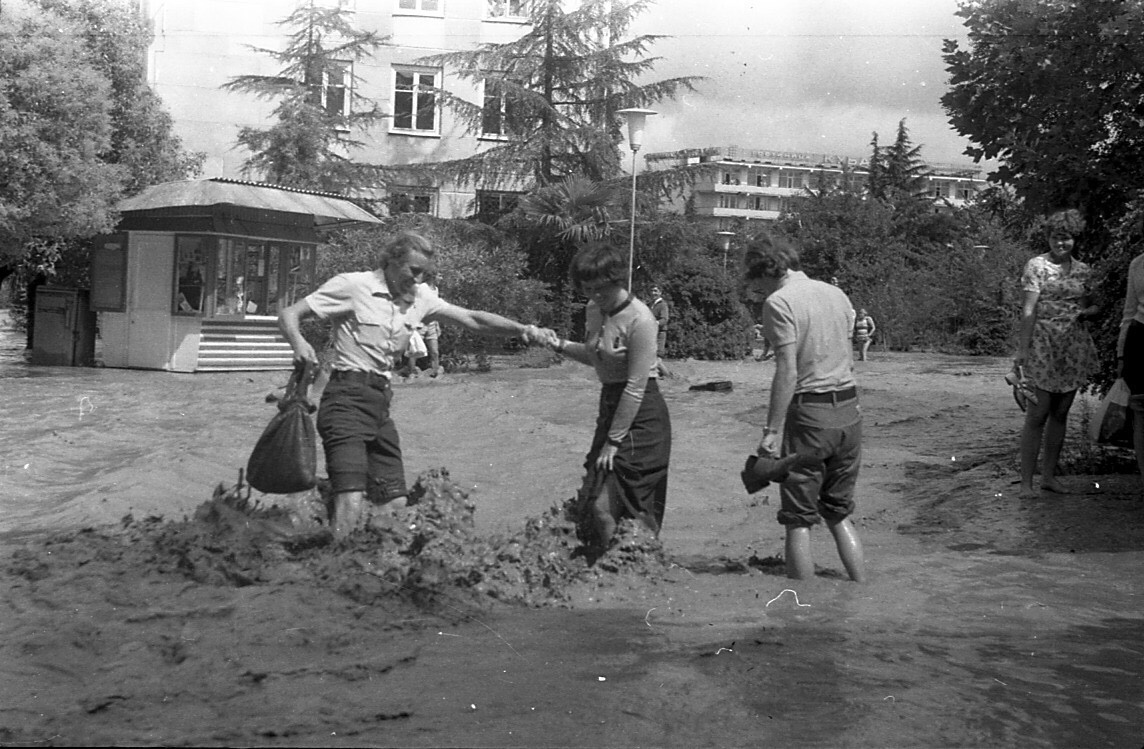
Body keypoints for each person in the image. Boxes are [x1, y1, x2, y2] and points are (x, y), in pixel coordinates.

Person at [279, 231, 555, 538]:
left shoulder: (421, 297)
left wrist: (524, 330)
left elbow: (473, 319)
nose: (419, 279)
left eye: (425, 273)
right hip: (344, 398)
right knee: (351, 497)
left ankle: (352, 547)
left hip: (380, 403)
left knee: (394, 502)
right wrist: (299, 343)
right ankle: (332, 570)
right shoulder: (353, 285)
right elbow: (291, 314)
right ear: (392, 261)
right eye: (414, 271)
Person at [744, 232, 865, 582]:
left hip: (811, 415)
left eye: (756, 282)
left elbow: (787, 371)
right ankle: (861, 589)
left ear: (764, 271)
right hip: (849, 411)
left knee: (798, 520)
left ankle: (801, 615)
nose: (758, 291)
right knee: (839, 513)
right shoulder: (836, 294)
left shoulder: (779, 302)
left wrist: (771, 432)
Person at [549, 242, 671, 549]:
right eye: (587, 289)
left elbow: (635, 385)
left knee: (608, 509)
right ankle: (609, 570)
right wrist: (557, 344)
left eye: (601, 289)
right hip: (610, 408)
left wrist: (613, 442)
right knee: (591, 501)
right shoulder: (594, 310)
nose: (595, 296)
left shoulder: (641, 320)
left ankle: (629, 575)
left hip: (641, 417)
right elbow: (596, 357)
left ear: (619, 281)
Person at [1015, 209, 1099, 498]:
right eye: (1055, 237)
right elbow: (1028, 311)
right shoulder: (1036, 266)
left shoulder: (1084, 270)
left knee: (1061, 413)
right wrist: (1022, 352)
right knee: (1037, 413)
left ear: (1074, 240)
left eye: (1065, 239)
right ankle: (1026, 483)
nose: (1059, 243)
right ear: (1048, 237)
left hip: (1072, 346)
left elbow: (1091, 305)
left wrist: (1089, 312)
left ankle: (1048, 477)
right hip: (1042, 344)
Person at [1117, 248, 1144, 490]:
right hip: (1140, 338)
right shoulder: (1137, 264)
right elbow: (1129, 310)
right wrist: (1121, 353)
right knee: (1140, 411)